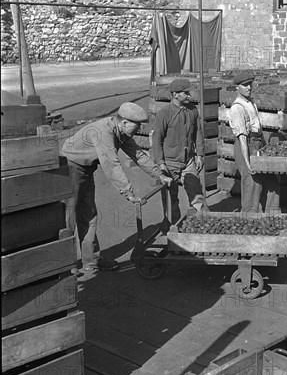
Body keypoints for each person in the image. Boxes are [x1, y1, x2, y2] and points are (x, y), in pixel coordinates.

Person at [62, 102, 173, 273]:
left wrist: (160, 175)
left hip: (86, 168)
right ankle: (62, 266)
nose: (137, 131)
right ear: (124, 123)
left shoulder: (122, 134)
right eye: (136, 127)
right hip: (70, 167)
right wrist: (128, 192)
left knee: (89, 214)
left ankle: (91, 260)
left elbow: (139, 155)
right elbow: (111, 164)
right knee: (69, 216)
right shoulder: (103, 132)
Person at [151, 78, 209, 225]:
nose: (189, 95)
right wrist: (160, 163)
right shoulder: (164, 113)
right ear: (175, 94)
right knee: (171, 199)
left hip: (188, 160)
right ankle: (173, 231)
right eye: (185, 93)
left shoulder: (192, 110)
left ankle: (202, 224)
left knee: (197, 193)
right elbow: (157, 139)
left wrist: (200, 154)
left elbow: (198, 133)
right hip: (170, 163)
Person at [228, 71, 280, 213]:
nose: (248, 87)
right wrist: (247, 161)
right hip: (247, 145)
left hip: (257, 144)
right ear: (237, 88)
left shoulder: (250, 102)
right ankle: (250, 218)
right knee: (251, 182)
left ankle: (272, 215)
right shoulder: (237, 108)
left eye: (250, 84)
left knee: (271, 181)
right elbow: (242, 138)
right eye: (244, 85)